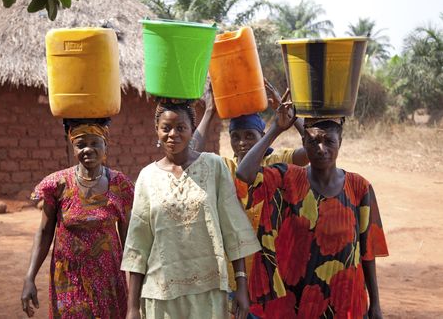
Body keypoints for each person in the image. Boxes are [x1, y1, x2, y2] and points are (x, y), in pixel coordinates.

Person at [236, 102, 389, 319]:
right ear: (303, 142)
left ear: (341, 142)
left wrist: (375, 304)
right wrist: (277, 128)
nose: (321, 149)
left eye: (329, 141)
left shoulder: (359, 187)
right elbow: (244, 174)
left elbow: (367, 252)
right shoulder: (288, 177)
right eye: (314, 141)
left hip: (345, 302)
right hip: (296, 303)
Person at [121, 100, 261, 319]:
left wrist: (242, 286)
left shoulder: (214, 166)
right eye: (165, 128)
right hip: (161, 295)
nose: (172, 134)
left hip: (209, 291)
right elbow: (138, 246)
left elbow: (233, 229)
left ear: (192, 130)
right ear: (156, 130)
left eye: (181, 128)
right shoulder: (147, 177)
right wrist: (132, 308)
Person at [192, 81, 309, 300]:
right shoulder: (224, 166)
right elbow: (188, 158)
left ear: (262, 135)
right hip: (233, 266)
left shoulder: (276, 160)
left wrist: (293, 119)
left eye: (250, 136)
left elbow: (311, 151)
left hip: (272, 261)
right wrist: (209, 113)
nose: (242, 143)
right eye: (235, 137)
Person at [21, 119, 134, 318]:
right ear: (72, 148)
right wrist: (29, 278)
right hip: (68, 281)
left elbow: (128, 239)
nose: (87, 149)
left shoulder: (120, 184)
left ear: (105, 145)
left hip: (109, 282)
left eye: (94, 143)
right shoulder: (57, 184)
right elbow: (44, 232)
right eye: (80, 144)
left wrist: (137, 286)